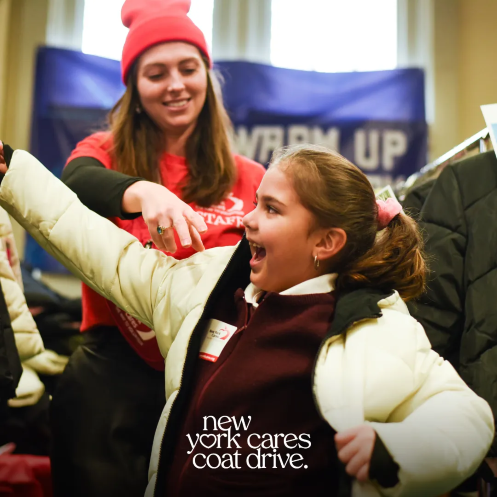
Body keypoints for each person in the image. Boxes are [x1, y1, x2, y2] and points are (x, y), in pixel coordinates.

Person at [0, 142, 493, 497]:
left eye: (271, 209)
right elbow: (98, 245)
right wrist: (9, 172)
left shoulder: (377, 326)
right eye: (255, 202)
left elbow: (466, 417)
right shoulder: (208, 287)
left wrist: (397, 449)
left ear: (327, 242)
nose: (247, 220)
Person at [48, 0, 265, 494]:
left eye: (188, 69)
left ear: (207, 77)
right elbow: (75, 182)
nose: (175, 85)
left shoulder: (250, 176)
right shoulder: (104, 152)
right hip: (110, 379)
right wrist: (142, 192)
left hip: (213, 377)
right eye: (155, 73)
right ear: (135, 87)